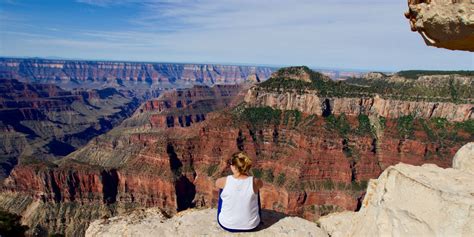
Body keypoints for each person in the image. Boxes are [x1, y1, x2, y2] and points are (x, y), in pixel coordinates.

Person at [215, 152, 264, 232]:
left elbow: (216, 183)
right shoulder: (255, 181)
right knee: (255, 191)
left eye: (231, 164)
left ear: (234, 167)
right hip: (251, 226)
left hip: (227, 225)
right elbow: (261, 185)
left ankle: (230, 216)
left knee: (222, 190)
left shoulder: (224, 181)